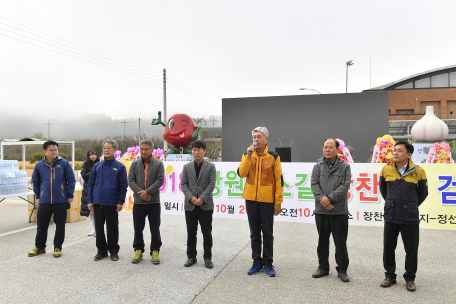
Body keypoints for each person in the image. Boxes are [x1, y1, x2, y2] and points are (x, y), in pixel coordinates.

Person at [379, 141, 428, 292]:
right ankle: (390, 276)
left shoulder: (419, 171)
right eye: (394, 150)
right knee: (388, 247)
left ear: (409, 154)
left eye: (400, 150)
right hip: (391, 216)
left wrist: (410, 206)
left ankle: (410, 278)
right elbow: (384, 191)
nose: (395, 153)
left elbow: (423, 193)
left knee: (411, 249)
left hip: (410, 217)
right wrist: (393, 205)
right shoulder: (386, 169)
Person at [238, 126, 283, 277]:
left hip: (267, 200)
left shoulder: (273, 156)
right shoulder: (248, 155)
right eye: (254, 137)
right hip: (251, 199)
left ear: (266, 139)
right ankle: (256, 262)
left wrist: (278, 202)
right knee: (254, 233)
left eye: (259, 137)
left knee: (268, 233)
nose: (256, 139)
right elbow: (242, 173)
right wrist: (247, 156)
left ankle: (268, 263)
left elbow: (278, 180)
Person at [310, 138, 351, 282]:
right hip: (321, 211)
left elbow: (345, 186)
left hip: (339, 211)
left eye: (330, 147)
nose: (327, 149)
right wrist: (323, 200)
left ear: (337, 149)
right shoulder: (317, 166)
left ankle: (342, 269)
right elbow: (314, 184)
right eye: (325, 147)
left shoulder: (345, 166)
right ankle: (323, 268)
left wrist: (330, 199)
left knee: (340, 242)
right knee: (322, 241)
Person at [29, 140, 75, 258]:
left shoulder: (64, 163)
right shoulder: (39, 165)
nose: (54, 152)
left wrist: (69, 195)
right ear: (45, 151)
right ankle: (40, 247)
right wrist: (38, 196)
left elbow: (71, 180)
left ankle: (57, 247)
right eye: (51, 150)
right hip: (44, 201)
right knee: (42, 225)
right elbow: (35, 181)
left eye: (56, 150)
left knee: (60, 225)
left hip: (60, 200)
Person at [87, 139, 128, 261]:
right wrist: (90, 200)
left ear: (115, 150)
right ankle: (101, 251)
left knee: (112, 228)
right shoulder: (97, 166)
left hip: (111, 202)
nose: (106, 150)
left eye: (109, 147)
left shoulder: (119, 167)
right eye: (104, 147)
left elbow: (123, 186)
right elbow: (90, 184)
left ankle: (114, 251)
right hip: (98, 202)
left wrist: (120, 201)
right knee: (99, 228)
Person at [181, 140, 216, 268]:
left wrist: (202, 198)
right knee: (191, 232)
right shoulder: (187, 167)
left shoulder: (210, 166)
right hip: (190, 206)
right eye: (194, 150)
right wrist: (191, 197)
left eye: (199, 150)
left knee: (207, 232)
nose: (196, 152)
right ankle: (191, 257)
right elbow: (183, 184)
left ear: (204, 151)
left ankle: (208, 258)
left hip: (205, 205)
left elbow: (211, 184)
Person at [128, 140, 164, 264]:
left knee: (155, 228)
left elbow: (160, 180)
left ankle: (155, 251)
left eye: (146, 149)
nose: (143, 151)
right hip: (138, 202)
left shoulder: (159, 164)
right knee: (138, 228)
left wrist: (147, 192)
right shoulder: (134, 164)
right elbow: (131, 181)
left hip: (153, 202)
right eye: (142, 149)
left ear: (152, 150)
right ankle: (138, 250)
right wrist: (141, 193)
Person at [80, 148, 100, 236]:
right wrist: (94, 172)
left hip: (99, 189)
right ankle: (95, 229)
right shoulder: (85, 164)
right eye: (91, 155)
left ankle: (99, 229)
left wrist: (91, 173)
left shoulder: (101, 163)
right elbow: (84, 176)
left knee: (99, 211)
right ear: (88, 156)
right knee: (91, 211)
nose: (93, 156)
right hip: (88, 190)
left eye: (94, 154)